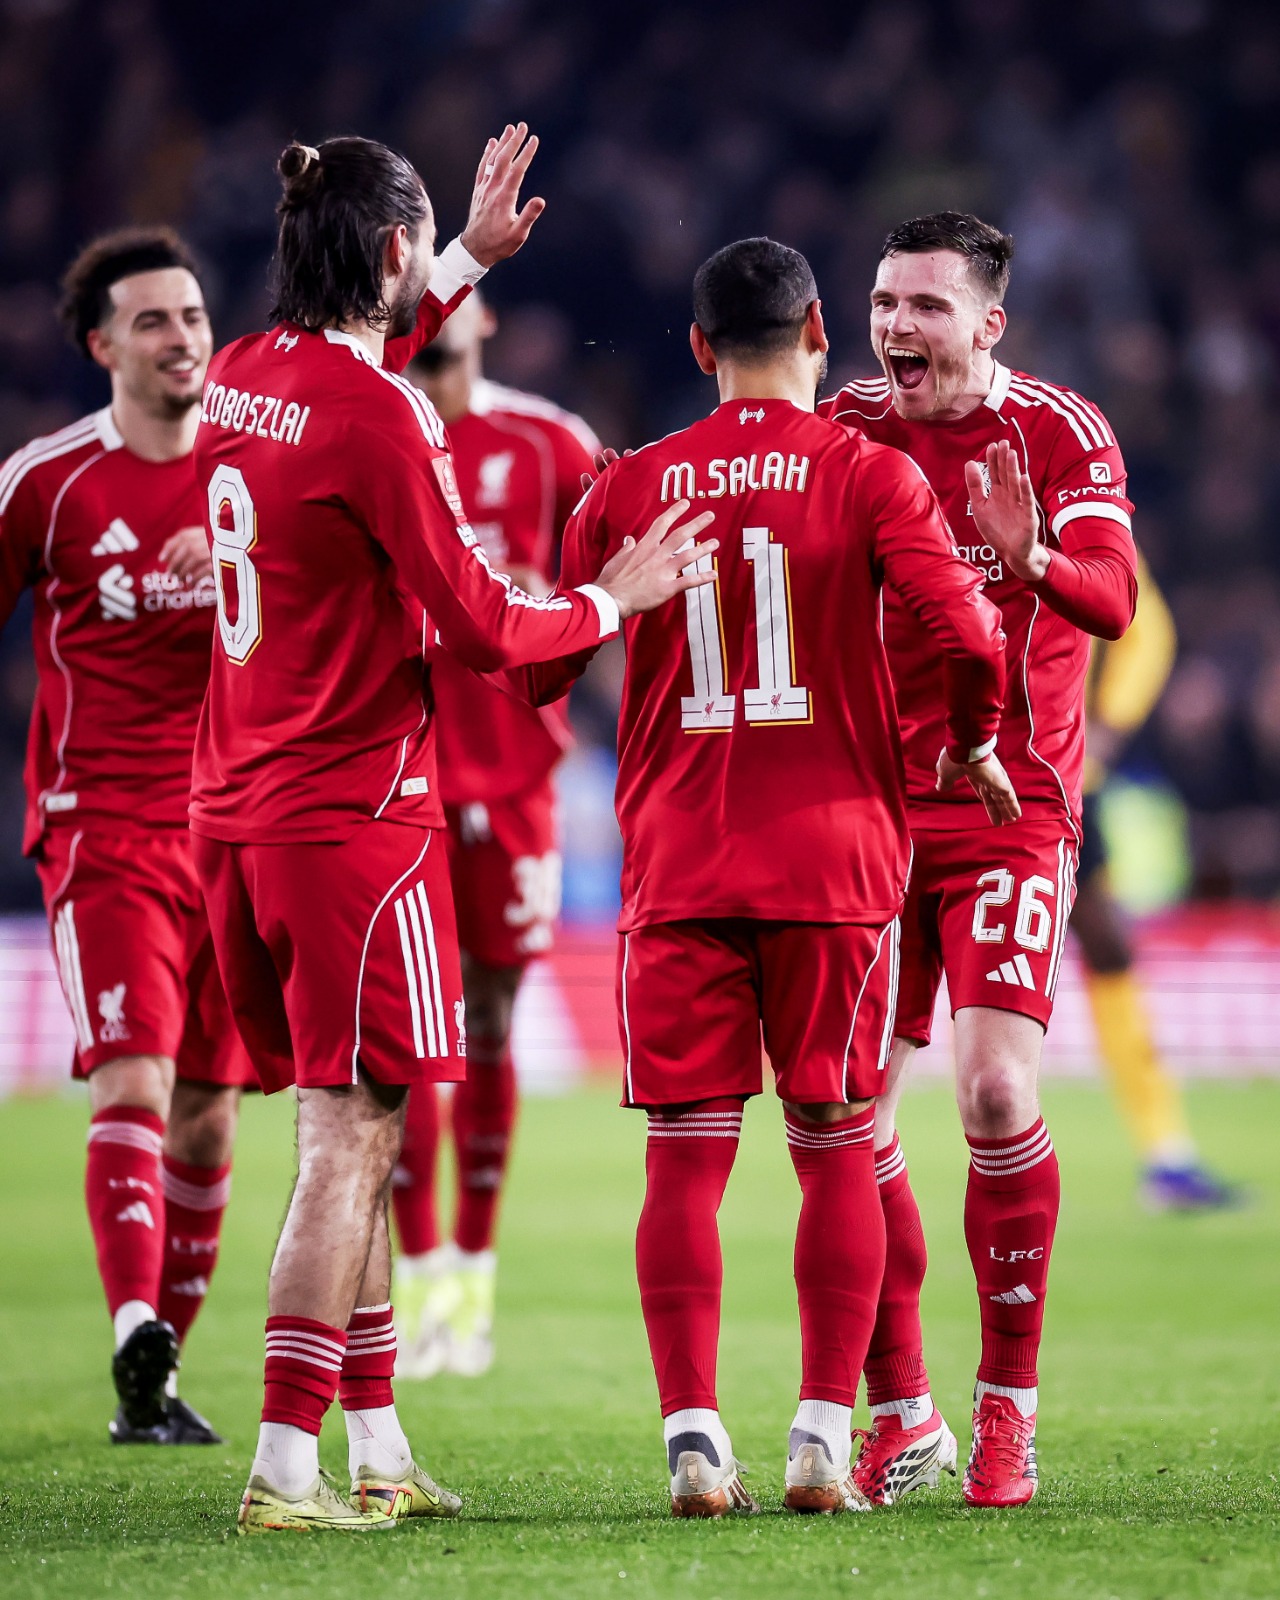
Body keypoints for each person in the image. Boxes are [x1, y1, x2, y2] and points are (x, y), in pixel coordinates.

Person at [189, 127, 719, 1535]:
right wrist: (613, 600)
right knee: (349, 1141)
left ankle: (375, 1445)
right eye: (419, 247)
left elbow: (355, 366)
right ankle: (285, 1467)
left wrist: (467, 253)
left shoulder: (242, 373)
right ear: (386, 251)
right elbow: (483, 625)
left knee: (345, 1130)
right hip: (349, 820)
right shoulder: (383, 417)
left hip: (234, 810)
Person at [509, 236, 1013, 1517]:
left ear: (696, 347)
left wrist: (606, 595)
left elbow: (533, 671)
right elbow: (971, 634)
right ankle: (820, 1435)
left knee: (683, 1156)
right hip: (834, 862)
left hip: (679, 860)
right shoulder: (869, 473)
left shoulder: (630, 485)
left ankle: (691, 1436)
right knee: (836, 1142)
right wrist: (969, 741)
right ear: (819, 333)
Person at [823, 212, 1137, 1508]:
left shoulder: (1059, 433)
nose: (895, 328)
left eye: (925, 307)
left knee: (997, 1094)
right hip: (869, 812)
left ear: (988, 323)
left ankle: (1007, 1409)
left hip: (1011, 802)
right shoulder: (845, 428)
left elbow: (1113, 599)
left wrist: (1029, 557)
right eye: (883, 304)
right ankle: (902, 1411)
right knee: (843, 1113)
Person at [0, 227, 257, 1446]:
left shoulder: (251, 470)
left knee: (209, 1114)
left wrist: (244, 550)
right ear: (103, 346)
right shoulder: (47, 481)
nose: (182, 337)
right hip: (101, 824)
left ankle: (152, 1380)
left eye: (193, 315)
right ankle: (132, 1317)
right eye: (152, 320)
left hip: (236, 827)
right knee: (136, 1077)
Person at [391, 294, 599, 1378]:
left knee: (488, 1021)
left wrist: (554, 600)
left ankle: (470, 1276)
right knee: (399, 1036)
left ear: (485, 319)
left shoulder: (550, 442)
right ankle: (418, 1276)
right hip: (399, 768)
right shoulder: (375, 432)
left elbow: (623, 578)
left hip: (514, 770)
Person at [1073, 558, 1237, 1209]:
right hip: (941, 771)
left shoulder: (1072, 510)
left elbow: (1147, 629)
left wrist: (1107, 727)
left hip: (1054, 776)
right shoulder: (925, 506)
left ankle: (1166, 1154)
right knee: (910, 945)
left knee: (1108, 946)